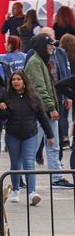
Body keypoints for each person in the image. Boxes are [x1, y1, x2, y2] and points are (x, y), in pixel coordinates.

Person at [0, 71, 54, 205]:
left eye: (18, 79)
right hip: (13, 135)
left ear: (24, 81)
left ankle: (32, 192)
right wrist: (1, 108)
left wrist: (50, 135)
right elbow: (2, 117)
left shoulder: (34, 97)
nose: (16, 82)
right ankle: (16, 190)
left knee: (29, 162)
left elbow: (43, 117)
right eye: (13, 80)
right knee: (16, 164)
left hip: (30, 135)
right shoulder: (7, 96)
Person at [25, 34, 73, 188]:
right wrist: (51, 108)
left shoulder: (42, 62)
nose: (53, 47)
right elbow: (39, 89)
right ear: (42, 46)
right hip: (40, 112)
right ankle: (21, 176)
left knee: (54, 146)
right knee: (32, 146)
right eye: (50, 44)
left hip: (46, 111)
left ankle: (56, 177)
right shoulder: (35, 63)